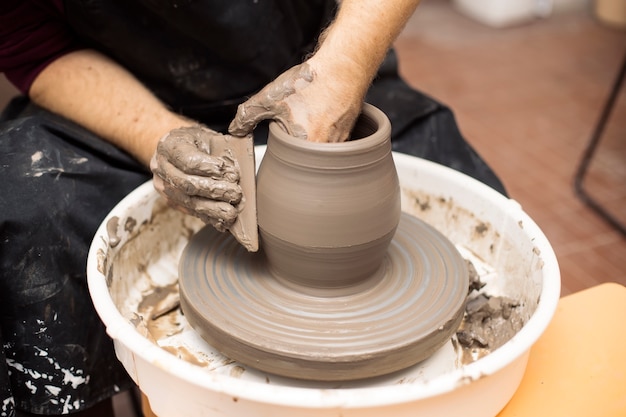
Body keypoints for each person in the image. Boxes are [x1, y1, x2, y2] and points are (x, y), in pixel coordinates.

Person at [0, 0, 506, 415]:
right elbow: (32, 43)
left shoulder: (333, 70)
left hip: (318, 62)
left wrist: (341, 70)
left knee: (478, 202)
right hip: (120, 91)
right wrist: (153, 134)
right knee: (29, 214)